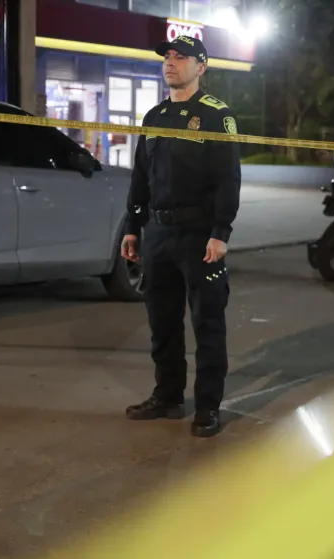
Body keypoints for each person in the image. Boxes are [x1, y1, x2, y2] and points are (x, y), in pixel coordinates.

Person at [119, 35, 241, 438]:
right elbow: (141, 177)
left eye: (180, 57)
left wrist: (220, 232)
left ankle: (207, 406)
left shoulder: (215, 117)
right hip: (157, 233)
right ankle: (168, 396)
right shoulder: (154, 117)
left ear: (200, 68)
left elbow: (228, 179)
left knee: (207, 321)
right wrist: (133, 227)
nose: (170, 62)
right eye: (168, 57)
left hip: (198, 234)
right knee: (163, 321)